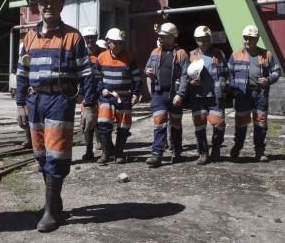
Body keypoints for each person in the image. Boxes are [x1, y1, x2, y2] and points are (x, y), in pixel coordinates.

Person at [16, 0, 96, 233]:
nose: (48, 5)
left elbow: (87, 73)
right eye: (43, 2)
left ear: (61, 5)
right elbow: (21, 72)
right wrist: (19, 103)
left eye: (53, 1)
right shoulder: (29, 37)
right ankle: (55, 201)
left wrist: (90, 105)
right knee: (40, 155)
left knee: (57, 156)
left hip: (60, 101)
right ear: (38, 6)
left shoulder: (73, 37)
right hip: (35, 101)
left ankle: (50, 211)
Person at [228, 24, 281, 161]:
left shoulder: (266, 54)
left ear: (256, 39)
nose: (248, 40)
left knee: (261, 123)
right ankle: (237, 147)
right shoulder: (236, 54)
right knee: (241, 123)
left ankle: (259, 151)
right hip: (242, 94)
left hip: (260, 94)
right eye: (246, 38)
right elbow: (228, 74)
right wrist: (234, 90)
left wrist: (268, 80)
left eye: (251, 38)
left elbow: (276, 71)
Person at [95, 28, 142, 165]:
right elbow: (96, 77)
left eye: (120, 43)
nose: (118, 46)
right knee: (103, 125)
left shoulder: (130, 57)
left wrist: (136, 93)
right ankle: (105, 154)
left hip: (125, 97)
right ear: (108, 42)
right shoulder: (101, 57)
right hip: (107, 98)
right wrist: (101, 89)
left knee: (123, 126)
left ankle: (119, 154)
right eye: (115, 43)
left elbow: (137, 77)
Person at [145, 22, 188, 167]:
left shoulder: (181, 54)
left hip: (174, 94)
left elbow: (184, 76)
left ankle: (176, 152)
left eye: (163, 36)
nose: (161, 38)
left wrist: (180, 94)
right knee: (159, 124)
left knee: (176, 125)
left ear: (171, 37)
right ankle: (156, 154)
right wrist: (148, 72)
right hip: (159, 94)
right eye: (160, 36)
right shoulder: (155, 52)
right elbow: (147, 68)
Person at [187, 26, 229, 165]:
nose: (203, 42)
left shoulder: (219, 54)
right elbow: (183, 75)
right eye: (200, 40)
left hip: (216, 96)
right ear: (196, 40)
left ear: (210, 39)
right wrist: (190, 81)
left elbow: (228, 73)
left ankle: (216, 148)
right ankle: (203, 153)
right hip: (198, 97)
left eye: (206, 39)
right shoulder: (191, 55)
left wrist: (226, 87)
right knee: (199, 126)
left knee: (219, 124)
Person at [80, 26, 100, 162]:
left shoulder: (103, 54)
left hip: (101, 93)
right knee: (86, 124)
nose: (89, 40)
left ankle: (104, 146)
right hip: (87, 93)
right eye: (87, 38)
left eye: (92, 37)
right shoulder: (82, 55)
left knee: (102, 123)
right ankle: (88, 150)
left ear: (96, 38)